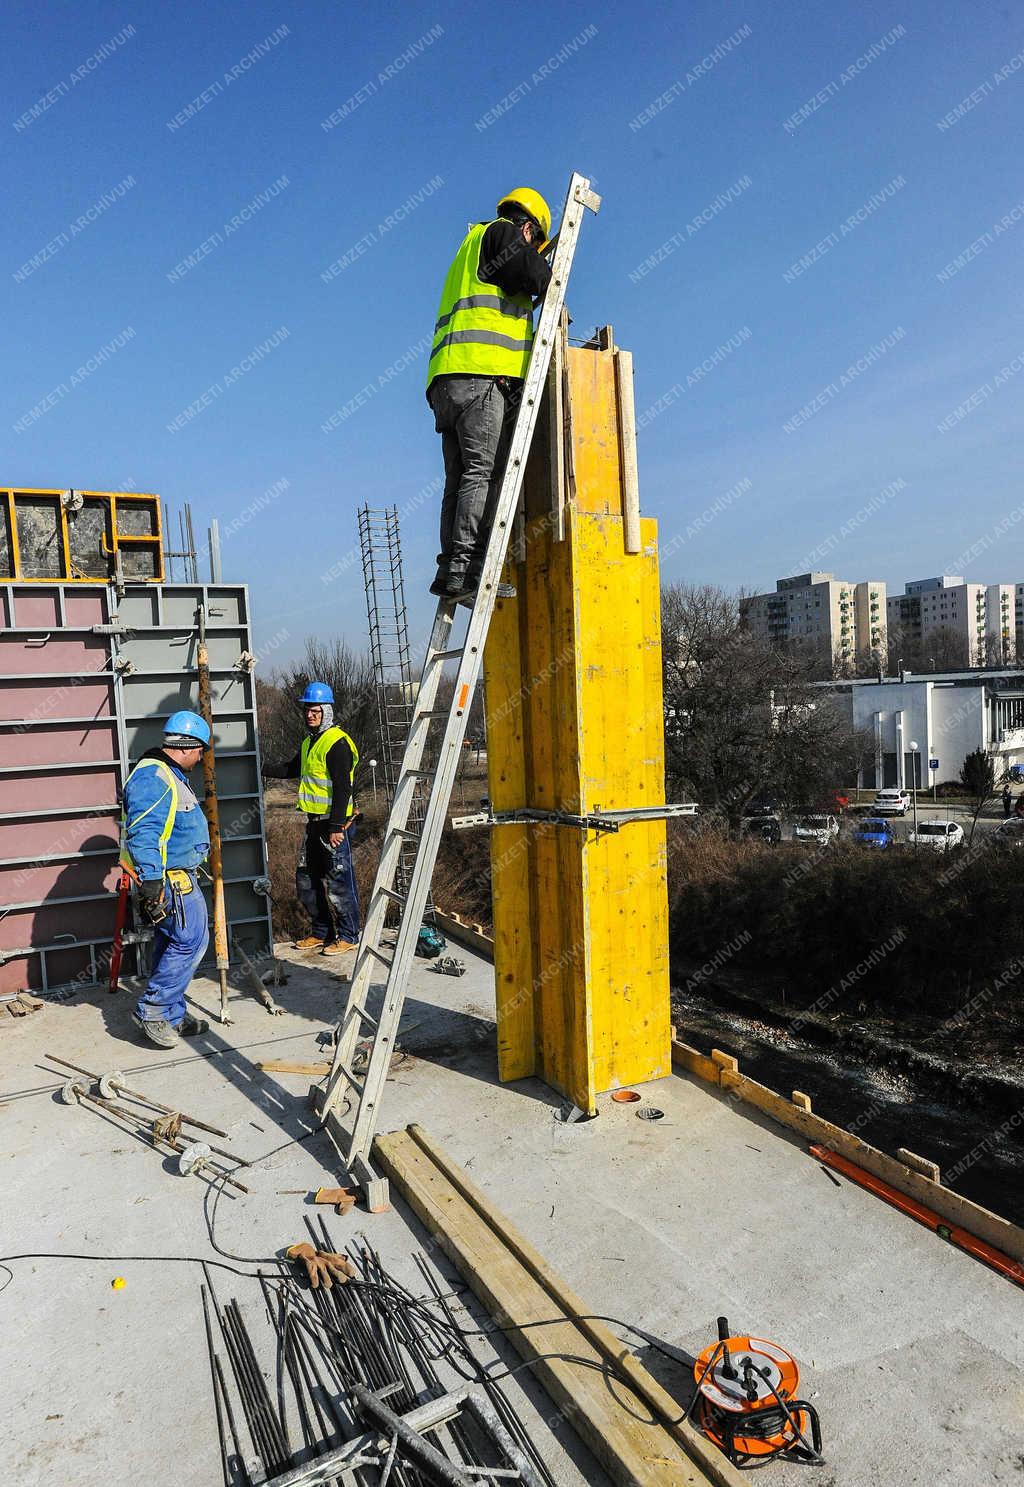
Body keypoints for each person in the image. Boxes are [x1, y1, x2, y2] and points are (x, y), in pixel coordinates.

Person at [425, 187, 554, 602]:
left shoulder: (470, 245)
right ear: (528, 228)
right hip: (480, 375)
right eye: (535, 243)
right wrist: (550, 278)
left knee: (459, 477)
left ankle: (450, 569)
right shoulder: (501, 234)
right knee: (482, 473)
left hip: (448, 380)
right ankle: (467, 569)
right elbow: (536, 276)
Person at [120, 710, 212, 1049]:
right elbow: (144, 833)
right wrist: (153, 884)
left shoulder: (168, 773)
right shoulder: (154, 777)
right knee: (190, 941)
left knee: (171, 941)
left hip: (175, 875)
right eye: (201, 750)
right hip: (170, 879)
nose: (201, 758)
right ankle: (154, 1011)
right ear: (188, 746)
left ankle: (172, 1012)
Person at [264, 681, 361, 956]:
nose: (309, 715)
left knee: (339, 883)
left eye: (315, 710)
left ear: (327, 711)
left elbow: (343, 788)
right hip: (315, 823)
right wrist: (257, 766)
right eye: (307, 710)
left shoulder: (336, 743)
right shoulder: (310, 743)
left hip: (334, 824)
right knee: (307, 879)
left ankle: (349, 935)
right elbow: (289, 769)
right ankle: (322, 932)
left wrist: (336, 827)